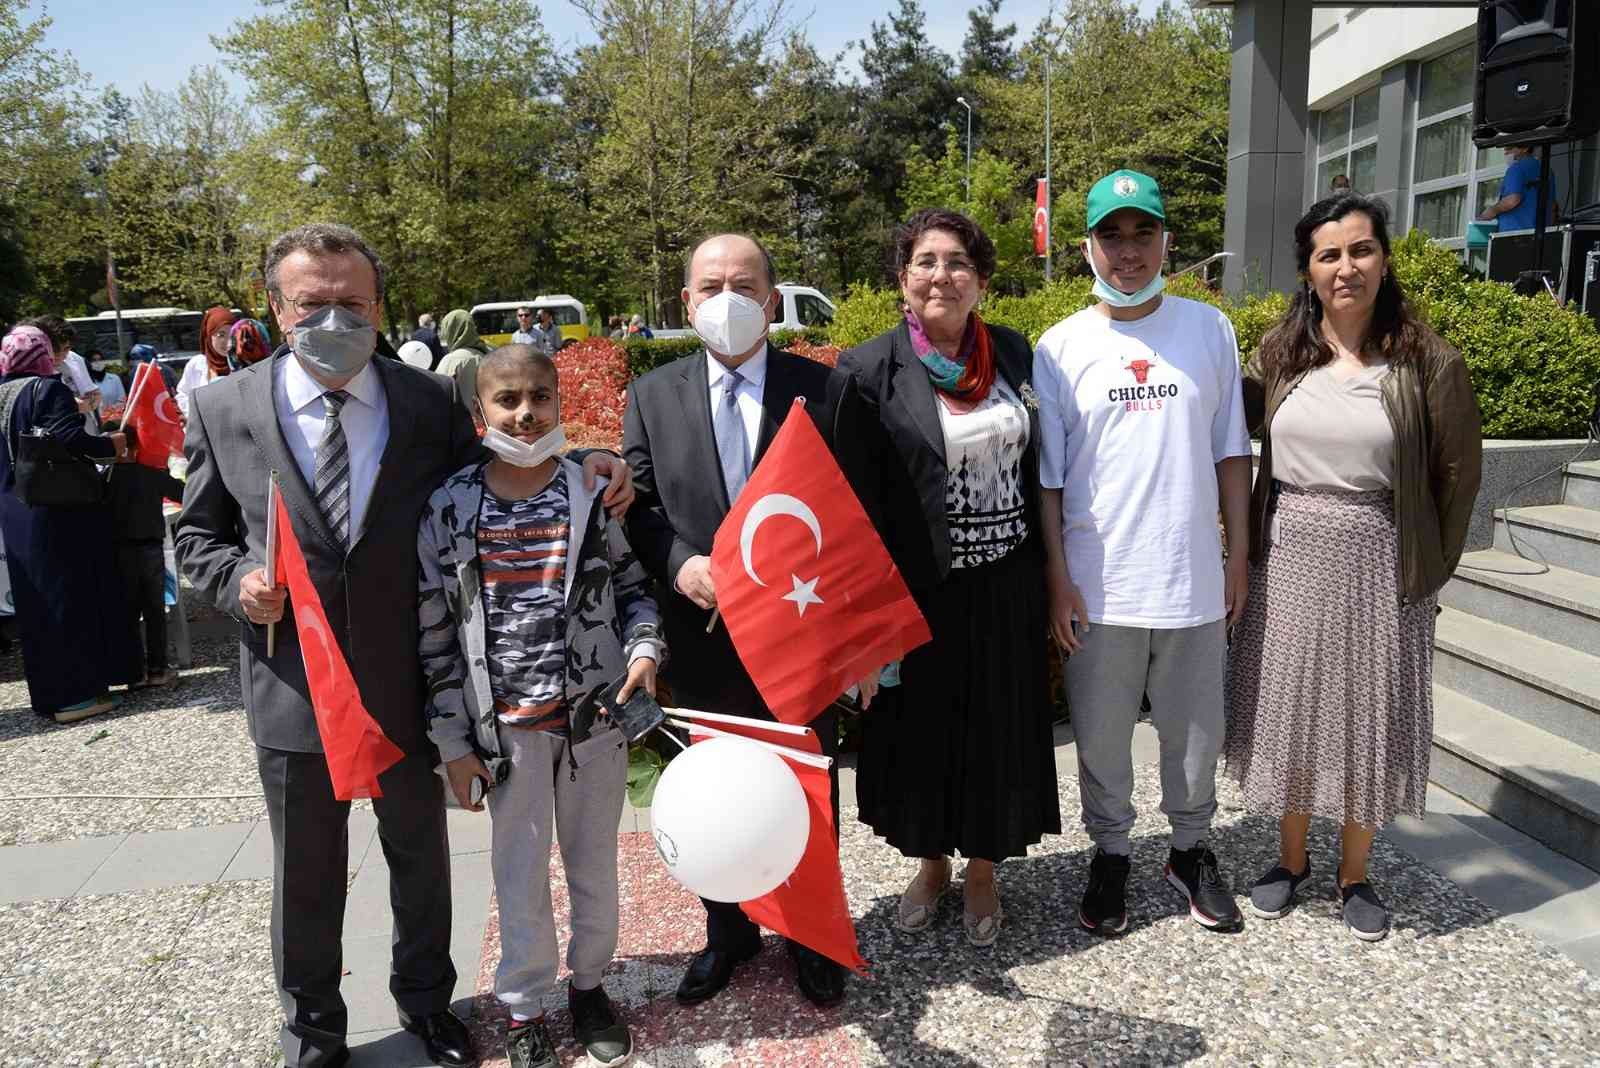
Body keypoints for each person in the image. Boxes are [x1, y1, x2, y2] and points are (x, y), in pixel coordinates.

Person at [176, 222, 633, 1068]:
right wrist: (236, 580)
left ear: (379, 305)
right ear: (277, 308)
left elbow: (513, 461)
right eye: (314, 304)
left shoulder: (425, 403)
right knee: (305, 874)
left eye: (353, 303)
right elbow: (196, 536)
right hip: (294, 683)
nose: (335, 319)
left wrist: (596, 457)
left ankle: (427, 1005)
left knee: (419, 863)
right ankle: (312, 1032)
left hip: (410, 682)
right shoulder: (222, 406)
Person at [623, 233, 877, 1009]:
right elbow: (638, 509)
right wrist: (679, 564)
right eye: (710, 285)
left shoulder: (825, 391)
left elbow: (859, 516)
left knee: (803, 789)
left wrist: (862, 646)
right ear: (686, 302)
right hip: (701, 639)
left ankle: (810, 936)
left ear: (772, 300)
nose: (726, 298)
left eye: (744, 283)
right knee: (709, 792)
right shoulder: (652, 394)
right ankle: (726, 931)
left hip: (802, 637)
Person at [1225, 193, 1482, 941]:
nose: (1347, 268)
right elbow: (1228, 427)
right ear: (1308, 269)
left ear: (1385, 258)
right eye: (1329, 254)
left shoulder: (1426, 361)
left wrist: (1425, 569)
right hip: (1291, 549)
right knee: (1294, 703)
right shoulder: (1280, 352)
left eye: (1361, 250)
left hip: (1377, 553)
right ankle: (1291, 859)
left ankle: (1355, 873)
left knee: (1367, 709)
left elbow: (1456, 476)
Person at [420, 344, 663, 1068]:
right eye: (507, 401)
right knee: (518, 876)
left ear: (560, 403)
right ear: (479, 413)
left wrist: (646, 649)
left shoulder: (590, 493)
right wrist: (452, 742)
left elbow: (633, 589)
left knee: (595, 867)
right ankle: (524, 1010)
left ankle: (589, 987)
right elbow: (432, 632)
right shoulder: (451, 506)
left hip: (595, 725)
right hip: (508, 735)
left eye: (539, 398)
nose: (525, 414)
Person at [1033, 169, 1253, 936]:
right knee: (1100, 738)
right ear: (1087, 246)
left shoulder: (1209, 330)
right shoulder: (1059, 346)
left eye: (1143, 232)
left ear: (1168, 241)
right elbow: (1050, 481)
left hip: (1192, 576)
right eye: (1111, 235)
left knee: (1196, 733)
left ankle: (1190, 849)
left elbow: (1233, 453)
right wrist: (1058, 579)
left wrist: (1238, 557)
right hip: (1100, 587)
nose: (1129, 251)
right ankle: (1113, 853)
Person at [838, 208, 1058, 948]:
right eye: (926, 261)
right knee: (920, 736)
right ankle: (931, 863)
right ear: (903, 278)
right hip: (916, 594)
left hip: (1006, 589)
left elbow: (1047, 473)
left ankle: (986, 867)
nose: (942, 275)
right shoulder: (868, 370)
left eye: (958, 261)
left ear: (982, 280)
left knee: (1000, 731)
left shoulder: (1017, 357)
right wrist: (862, 621)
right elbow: (850, 501)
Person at [0, 325, 138, 723]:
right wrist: (109, 444)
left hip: (15, 511)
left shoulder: (4, 391)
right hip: (56, 510)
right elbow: (68, 440)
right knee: (70, 597)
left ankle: (49, 695)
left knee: (35, 605)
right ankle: (77, 695)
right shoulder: (47, 389)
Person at [104, 421, 186, 689]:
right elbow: (185, 493)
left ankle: (132, 673)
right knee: (154, 613)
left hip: (117, 553)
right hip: (150, 550)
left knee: (126, 614)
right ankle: (157, 670)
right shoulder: (151, 475)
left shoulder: (104, 478)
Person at [23, 316, 99, 434]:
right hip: (51, 440)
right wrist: (75, 405)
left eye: (67, 348)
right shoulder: (29, 367)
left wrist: (86, 404)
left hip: (86, 433)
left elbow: (96, 395)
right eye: (55, 348)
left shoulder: (74, 359)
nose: (62, 354)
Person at [175, 306, 241, 418]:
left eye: (232, 334)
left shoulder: (242, 363)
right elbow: (183, 395)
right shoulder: (197, 364)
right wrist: (196, 416)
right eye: (221, 335)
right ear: (209, 336)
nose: (228, 341)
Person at [1479, 144, 1560, 231]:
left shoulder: (1516, 168)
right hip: (1543, 233)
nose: (1506, 152)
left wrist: (1492, 210)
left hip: (1515, 233)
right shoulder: (1547, 170)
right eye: (1504, 149)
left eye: (1509, 148)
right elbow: (1553, 206)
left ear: (1525, 148)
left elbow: (1513, 199)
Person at [437, 309, 488, 414]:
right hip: (486, 422)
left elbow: (437, 393)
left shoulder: (451, 360)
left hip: (459, 423)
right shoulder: (487, 354)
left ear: (451, 330)